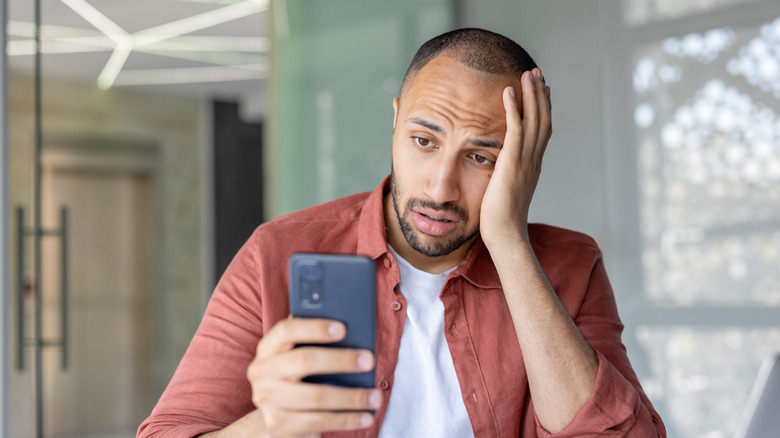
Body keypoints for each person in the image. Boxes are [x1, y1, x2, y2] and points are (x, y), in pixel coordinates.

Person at [138, 28, 666, 438]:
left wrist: (508, 242)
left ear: (523, 161)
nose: (440, 187)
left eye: (481, 157)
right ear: (395, 122)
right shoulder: (277, 252)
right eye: (423, 140)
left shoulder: (569, 264)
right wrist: (274, 423)